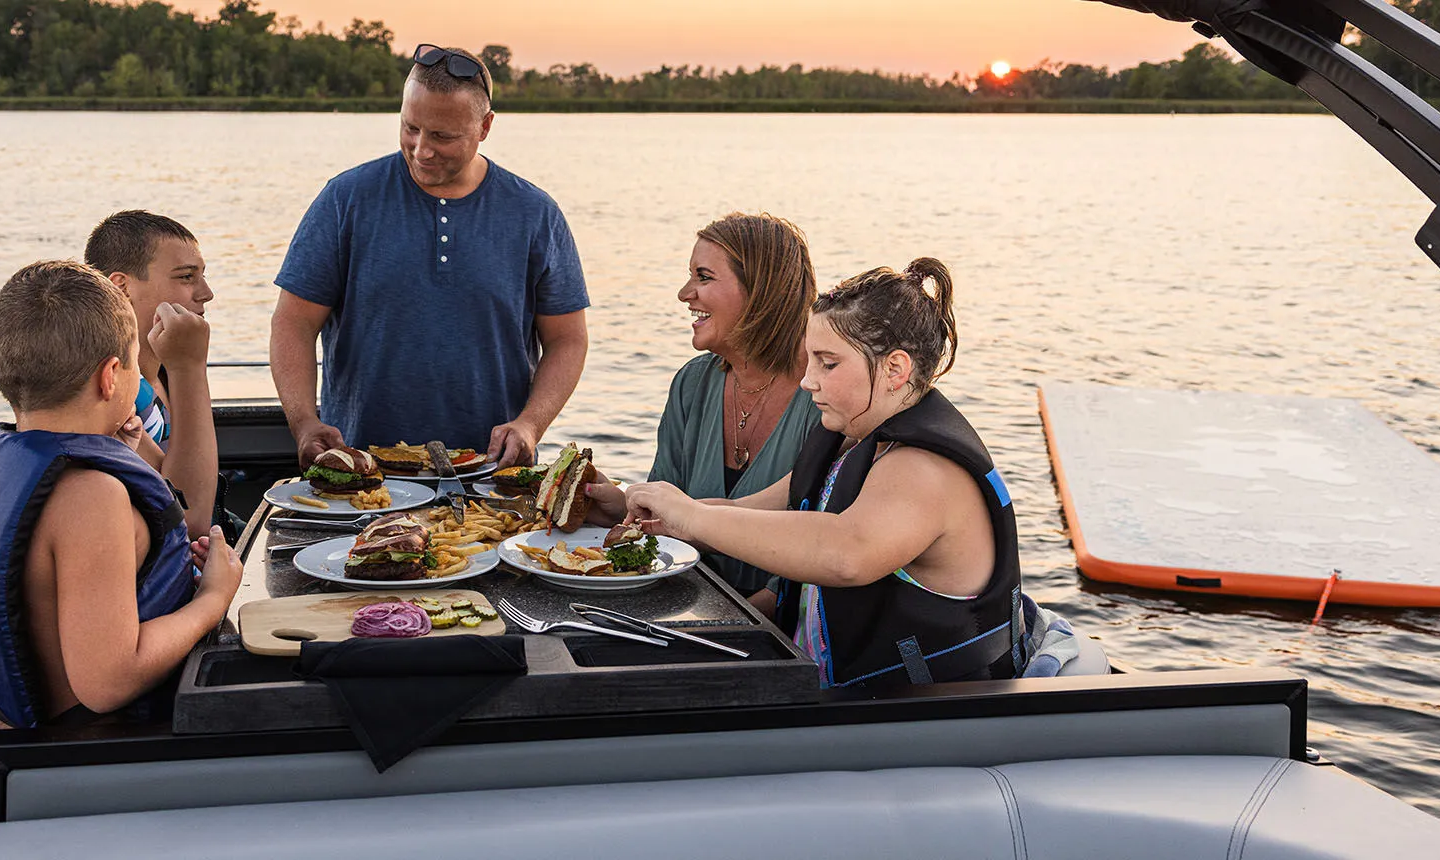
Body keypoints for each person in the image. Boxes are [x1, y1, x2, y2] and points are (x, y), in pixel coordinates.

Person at [622, 258, 1024, 690]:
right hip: (838, 689)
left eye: (827, 364)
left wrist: (692, 517)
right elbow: (748, 511)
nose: (807, 381)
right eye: (809, 360)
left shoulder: (924, 470)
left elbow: (845, 554)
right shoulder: (850, 441)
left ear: (895, 369)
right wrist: (667, 519)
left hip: (933, 710)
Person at [0, 261, 240, 728]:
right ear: (111, 375)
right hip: (86, 761)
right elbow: (109, 681)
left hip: (13, 743)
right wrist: (212, 598)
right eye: (134, 360)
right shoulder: (91, 498)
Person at [270, 44, 588, 467]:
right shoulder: (345, 199)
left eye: (442, 136)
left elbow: (567, 339)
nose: (421, 149)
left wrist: (531, 423)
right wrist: (304, 421)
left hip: (492, 475)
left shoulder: (535, 213)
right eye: (410, 128)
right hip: (362, 472)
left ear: (485, 126)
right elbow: (293, 322)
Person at [582, 213, 821, 599]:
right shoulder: (692, 383)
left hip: (780, 629)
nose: (684, 293)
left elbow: (814, 561)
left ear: (762, 291)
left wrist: (731, 623)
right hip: (688, 602)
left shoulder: (826, 396)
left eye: (704, 277)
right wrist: (618, 505)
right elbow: (668, 523)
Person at [85, 210, 217, 537]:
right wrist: (190, 368)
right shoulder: (110, 393)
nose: (206, 293)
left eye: (202, 276)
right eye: (186, 277)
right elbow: (189, 517)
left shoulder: (163, 372)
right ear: (121, 287)